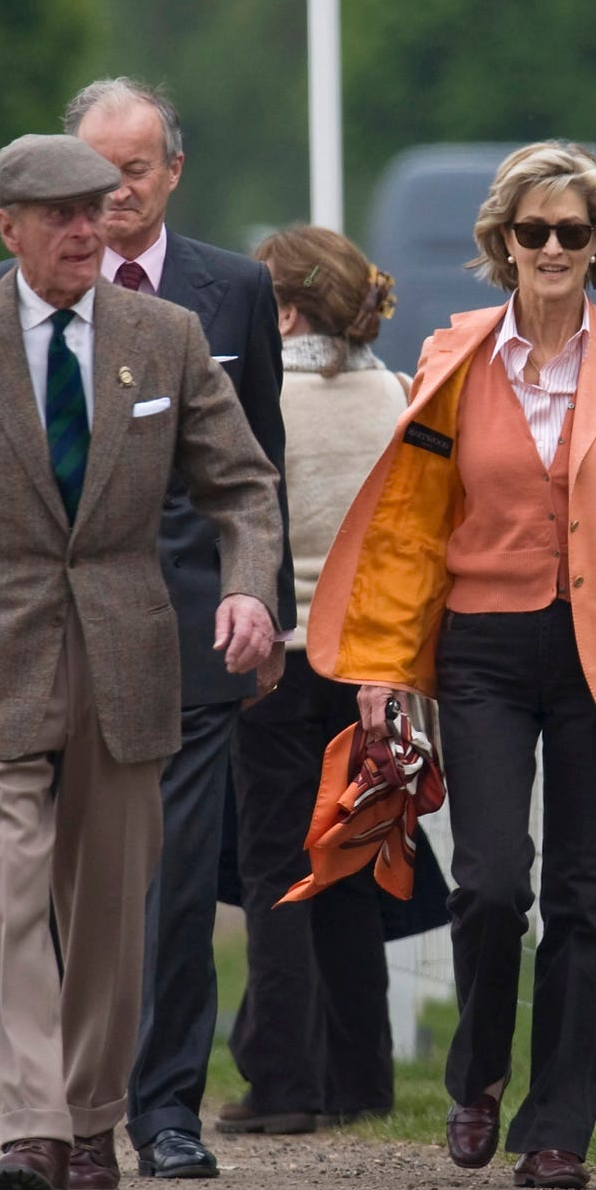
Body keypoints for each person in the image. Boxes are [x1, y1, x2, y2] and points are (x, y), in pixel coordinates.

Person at [0, 133, 283, 1190]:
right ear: (9, 228)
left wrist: (249, 588)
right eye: (63, 215)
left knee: (106, 905)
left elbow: (242, 485)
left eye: (99, 209)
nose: (90, 229)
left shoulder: (164, 336)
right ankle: (31, 1125)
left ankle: (93, 1118)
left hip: (131, 649)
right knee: (1, 890)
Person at [307, 141, 596, 1189]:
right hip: (481, 644)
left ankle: (557, 1124)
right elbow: (411, 521)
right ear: (501, 242)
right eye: (531, 230)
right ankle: (478, 1069)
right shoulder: (453, 353)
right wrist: (388, 659)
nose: (550, 247)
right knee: (489, 883)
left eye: (571, 232)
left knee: (581, 894)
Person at [0, 77, 295, 1181]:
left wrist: (260, 600)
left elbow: (252, 469)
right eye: (86, 175)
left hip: (186, 633)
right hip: (30, 640)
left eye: (131, 172)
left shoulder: (229, 293)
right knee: (40, 877)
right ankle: (58, 1104)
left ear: (172, 171)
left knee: (170, 879)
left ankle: (160, 1108)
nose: (106, 197)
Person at [217, 226, 404, 1135]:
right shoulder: (398, 394)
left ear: (282, 308)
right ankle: (363, 1077)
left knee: (275, 870)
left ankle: (284, 1080)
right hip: (369, 661)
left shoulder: (257, 395)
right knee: (353, 863)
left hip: (276, 660)